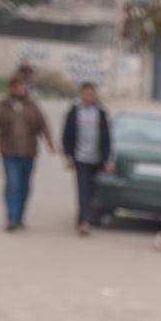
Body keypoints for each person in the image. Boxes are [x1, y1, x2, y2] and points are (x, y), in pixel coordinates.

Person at [0, 70, 47, 233]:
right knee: (13, 184)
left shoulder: (32, 105)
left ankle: (20, 217)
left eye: (23, 86)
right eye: (17, 86)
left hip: (29, 152)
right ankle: (11, 217)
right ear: (11, 88)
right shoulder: (3, 106)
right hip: (9, 152)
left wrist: (50, 143)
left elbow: (43, 125)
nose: (21, 89)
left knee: (25, 187)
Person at [61, 78, 115, 236]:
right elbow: (67, 136)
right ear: (81, 94)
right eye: (86, 94)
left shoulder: (101, 113)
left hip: (97, 160)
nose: (89, 97)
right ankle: (85, 222)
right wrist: (68, 156)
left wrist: (107, 160)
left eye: (91, 94)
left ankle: (83, 218)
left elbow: (107, 138)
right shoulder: (74, 112)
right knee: (83, 190)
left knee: (93, 191)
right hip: (80, 159)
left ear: (95, 95)